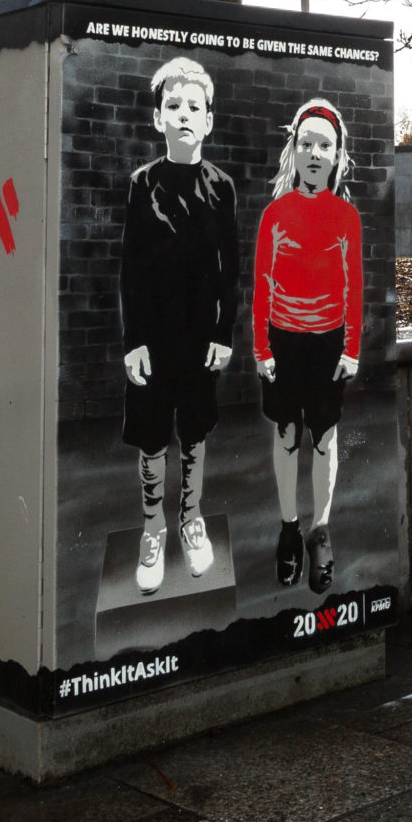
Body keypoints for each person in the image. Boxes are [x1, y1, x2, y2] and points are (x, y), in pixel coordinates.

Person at [120, 57, 240, 595]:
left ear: (209, 121)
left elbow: (232, 271)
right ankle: (153, 528)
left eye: (195, 107)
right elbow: (131, 270)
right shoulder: (141, 184)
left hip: (199, 337)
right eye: (174, 106)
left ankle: (192, 522)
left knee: (193, 433)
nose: (184, 115)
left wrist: (224, 334)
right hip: (154, 337)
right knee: (152, 436)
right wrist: (133, 341)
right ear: (157, 117)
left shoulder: (222, 188)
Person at [255, 98, 363, 594]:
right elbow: (261, 286)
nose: (315, 153)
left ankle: (320, 530)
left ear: (338, 155)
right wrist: (262, 349)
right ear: (293, 152)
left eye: (325, 145)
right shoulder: (275, 214)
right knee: (287, 435)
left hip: (328, 347)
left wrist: (352, 349)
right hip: (283, 342)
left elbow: (354, 287)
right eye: (307, 144)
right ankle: (288, 528)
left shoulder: (346, 218)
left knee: (324, 438)